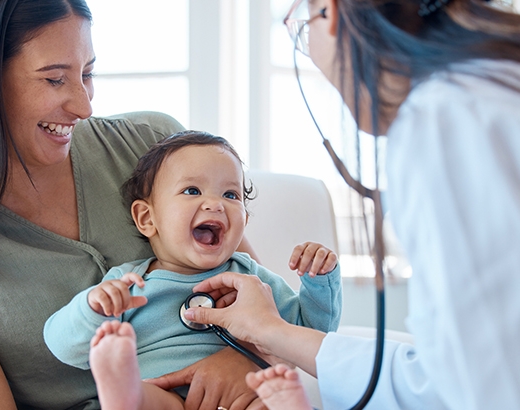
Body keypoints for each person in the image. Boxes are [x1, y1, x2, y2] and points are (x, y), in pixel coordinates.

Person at [0, 1, 269, 409]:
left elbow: (260, 296)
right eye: (55, 79)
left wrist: (243, 359)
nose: (84, 106)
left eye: (87, 73)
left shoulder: (154, 146)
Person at [177, 0, 520, 409]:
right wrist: (273, 332)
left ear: (329, 13)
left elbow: (506, 391)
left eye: (300, 30)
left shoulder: (449, 120)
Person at [43, 131, 343, 410]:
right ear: (147, 218)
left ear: (245, 220)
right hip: (165, 393)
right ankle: (122, 387)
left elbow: (306, 334)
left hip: (244, 396)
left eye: (230, 195)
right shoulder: (129, 284)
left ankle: (288, 402)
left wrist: (318, 281)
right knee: (149, 400)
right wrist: (94, 308)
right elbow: (62, 346)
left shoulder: (252, 280)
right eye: (192, 190)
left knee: (266, 399)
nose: (214, 204)